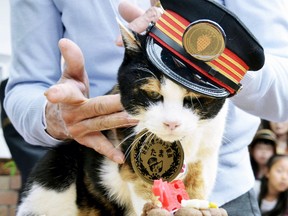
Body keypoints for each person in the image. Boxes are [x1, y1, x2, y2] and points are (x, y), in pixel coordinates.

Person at [3, 0, 288, 215]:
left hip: (219, 195)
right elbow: (25, 85)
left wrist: (218, 57)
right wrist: (52, 114)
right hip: (91, 192)